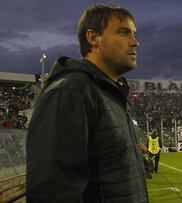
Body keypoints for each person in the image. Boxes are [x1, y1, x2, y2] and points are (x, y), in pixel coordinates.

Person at [26, 4, 148, 203]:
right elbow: (53, 192)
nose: (135, 42)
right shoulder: (70, 91)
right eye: (124, 32)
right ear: (93, 38)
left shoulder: (112, 93)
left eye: (134, 34)